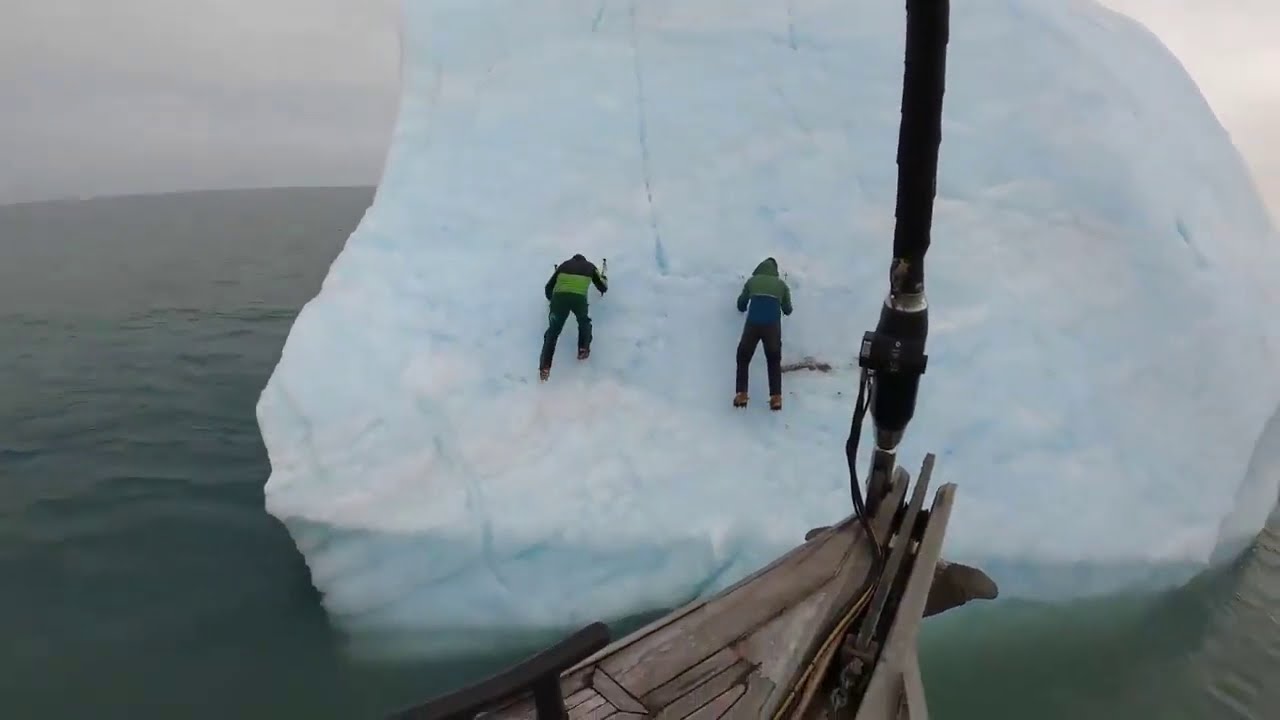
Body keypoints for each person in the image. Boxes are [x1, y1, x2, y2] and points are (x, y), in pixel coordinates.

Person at [734, 257, 792, 410]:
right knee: (773, 360)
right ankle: (776, 397)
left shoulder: (752, 281)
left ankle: (741, 394)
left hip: (752, 325)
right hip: (772, 327)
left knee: (743, 357)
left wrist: (743, 306)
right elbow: (788, 309)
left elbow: (741, 304)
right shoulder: (781, 285)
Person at [540, 254, 608, 381]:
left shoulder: (563, 266)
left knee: (553, 332)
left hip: (559, 299)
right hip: (578, 299)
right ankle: (583, 348)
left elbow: (548, 287)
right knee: (584, 322)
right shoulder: (590, 267)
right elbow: (602, 286)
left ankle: (545, 366)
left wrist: (552, 301)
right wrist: (604, 280)